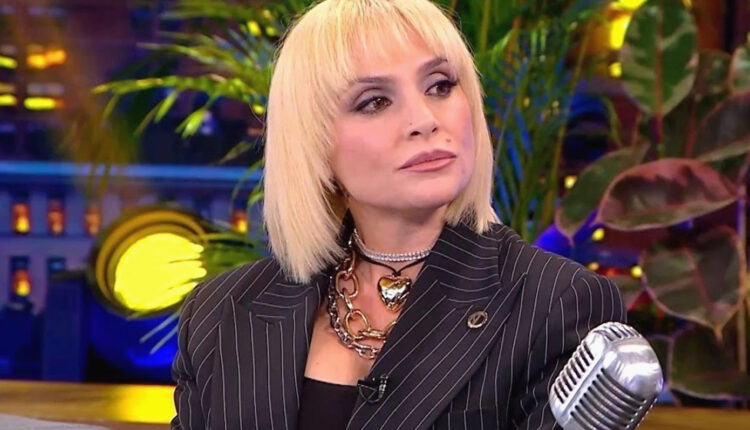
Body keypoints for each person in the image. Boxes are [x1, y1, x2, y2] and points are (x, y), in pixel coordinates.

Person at [170, 0, 626, 429]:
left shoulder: (559, 304)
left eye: (440, 86)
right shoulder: (220, 313)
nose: (424, 119)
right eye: (374, 101)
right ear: (314, 144)